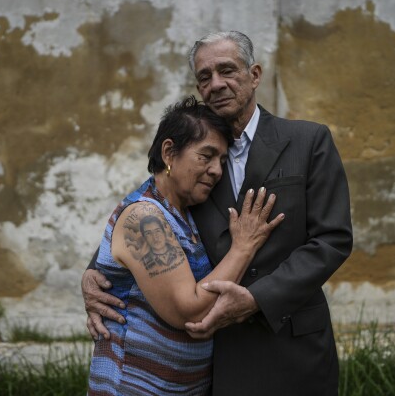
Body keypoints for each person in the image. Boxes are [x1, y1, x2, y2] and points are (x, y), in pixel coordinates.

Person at [83, 31, 353, 395]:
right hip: (218, 355)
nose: (216, 84)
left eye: (227, 70)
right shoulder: (195, 155)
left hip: (292, 342)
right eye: (204, 77)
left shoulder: (308, 141)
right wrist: (95, 274)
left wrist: (259, 298)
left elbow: (332, 239)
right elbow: (150, 214)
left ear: (255, 75)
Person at [87, 95, 284, 395]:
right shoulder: (144, 217)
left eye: (221, 160)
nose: (217, 170)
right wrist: (244, 247)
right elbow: (188, 311)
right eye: (206, 156)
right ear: (169, 152)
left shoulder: (185, 213)